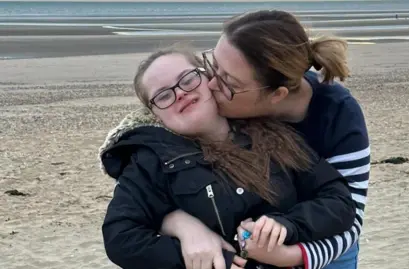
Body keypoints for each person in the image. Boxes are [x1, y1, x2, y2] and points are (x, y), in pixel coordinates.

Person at [98, 48, 357, 269]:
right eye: (163, 95)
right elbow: (121, 237)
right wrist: (197, 255)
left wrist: (287, 225)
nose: (179, 94)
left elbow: (338, 200)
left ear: (209, 79)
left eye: (187, 79)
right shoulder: (151, 160)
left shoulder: (275, 136)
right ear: (155, 113)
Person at [160, 10, 370, 269]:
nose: (211, 85)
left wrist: (289, 256)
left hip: (320, 248)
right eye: (213, 66)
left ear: (277, 95)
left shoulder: (338, 116)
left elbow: (350, 218)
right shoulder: (216, 101)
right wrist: (183, 224)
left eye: (229, 82)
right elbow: (143, 164)